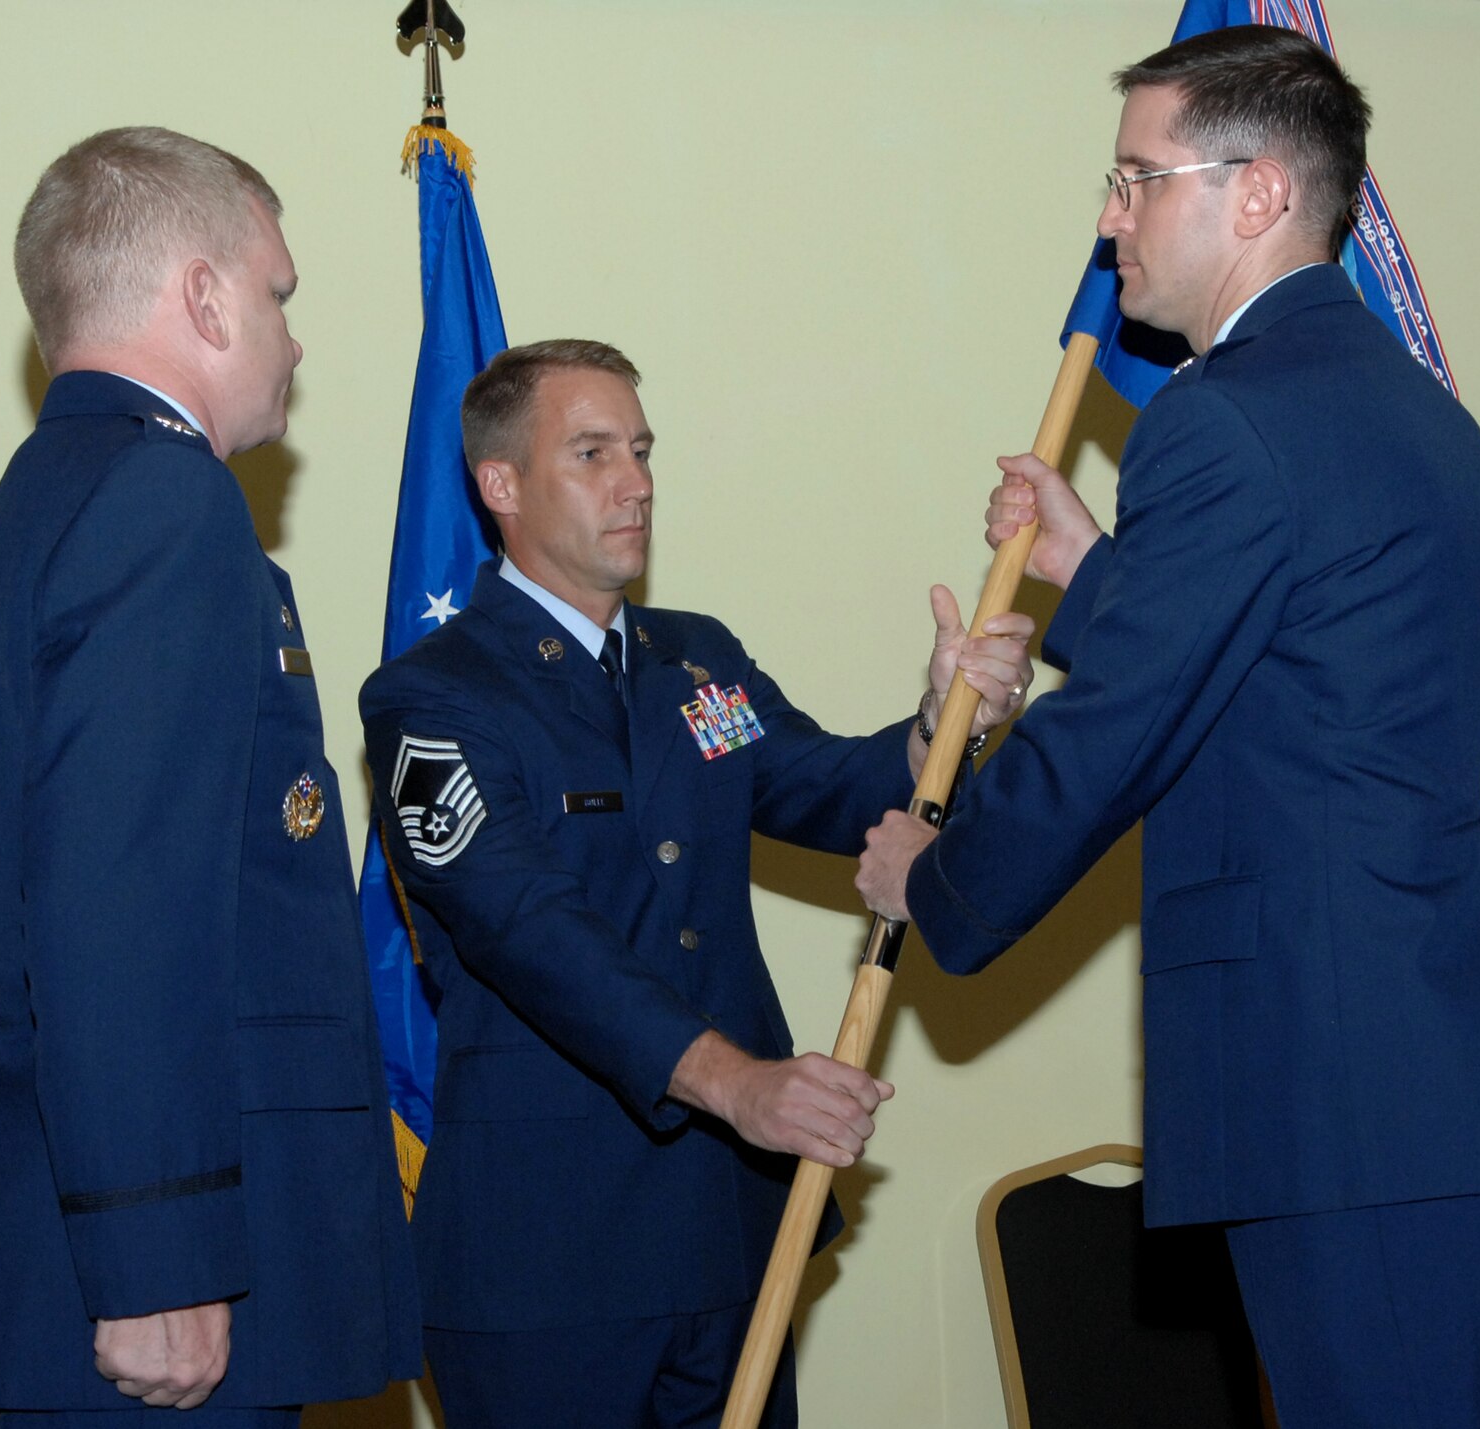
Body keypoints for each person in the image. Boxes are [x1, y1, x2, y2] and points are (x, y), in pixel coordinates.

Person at [855, 26, 1480, 1428]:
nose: (1109, 214)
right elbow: (1287, 677)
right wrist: (1096, 572)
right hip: (1417, 1082)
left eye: (1140, 179)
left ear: (1257, 194)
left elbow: (1117, 739)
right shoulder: (1402, 406)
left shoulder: (1224, 420)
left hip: (1346, 1096)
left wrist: (934, 878)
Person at [359, 338, 1034, 1428]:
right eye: (591, 453)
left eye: (639, 449)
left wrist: (937, 722)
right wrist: (735, 1082)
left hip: (726, 1231)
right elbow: (529, 929)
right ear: (500, 485)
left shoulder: (695, 660)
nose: (636, 482)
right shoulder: (429, 701)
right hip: (549, 1260)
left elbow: (818, 783)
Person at [0, 127, 420, 1427]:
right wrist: (156, 1254)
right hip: (152, 1279)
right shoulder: (165, 500)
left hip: (64, 1243)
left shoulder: (48, 490)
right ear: (202, 295)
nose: (295, 340)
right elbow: (117, 901)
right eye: (278, 296)